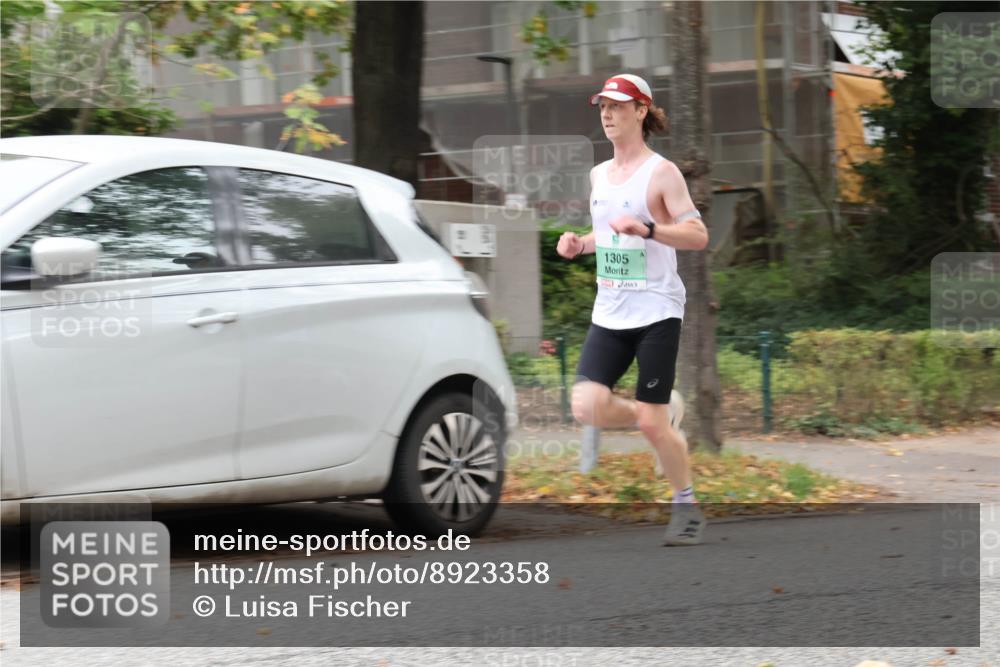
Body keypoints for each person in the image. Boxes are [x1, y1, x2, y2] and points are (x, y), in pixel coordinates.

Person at [556, 74, 709, 546]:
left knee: (650, 421)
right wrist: (581, 242)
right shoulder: (598, 175)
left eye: (619, 106)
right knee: (586, 405)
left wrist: (648, 228)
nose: (607, 113)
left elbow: (698, 235)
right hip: (611, 309)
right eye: (603, 106)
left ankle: (685, 506)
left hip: (657, 309)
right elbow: (609, 232)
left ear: (641, 111)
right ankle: (660, 414)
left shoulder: (662, 173)